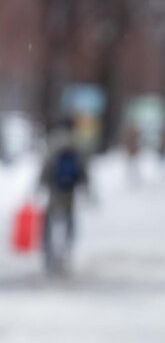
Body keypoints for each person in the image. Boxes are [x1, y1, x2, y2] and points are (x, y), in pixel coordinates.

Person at [39, 117, 89, 274]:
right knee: (69, 219)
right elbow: (83, 167)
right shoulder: (76, 142)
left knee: (48, 220)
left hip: (55, 189)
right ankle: (66, 249)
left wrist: (41, 182)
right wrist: (86, 186)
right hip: (69, 189)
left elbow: (47, 164)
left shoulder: (54, 140)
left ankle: (48, 253)